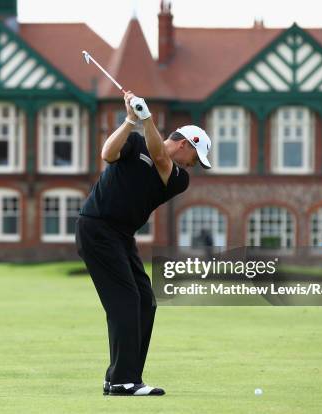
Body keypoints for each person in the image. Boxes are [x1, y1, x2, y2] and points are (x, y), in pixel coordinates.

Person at [75, 91, 212, 396]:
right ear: (185, 144)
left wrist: (147, 118)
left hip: (121, 236)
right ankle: (122, 380)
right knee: (125, 301)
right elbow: (107, 154)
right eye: (195, 158)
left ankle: (124, 377)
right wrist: (130, 121)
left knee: (145, 301)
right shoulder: (135, 142)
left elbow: (159, 156)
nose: (194, 165)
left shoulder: (178, 177)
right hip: (97, 228)